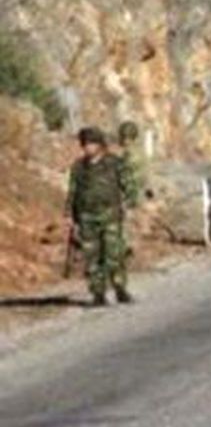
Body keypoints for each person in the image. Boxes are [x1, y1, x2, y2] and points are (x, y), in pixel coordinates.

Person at [65, 127, 132, 306]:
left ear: (100, 145)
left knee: (113, 253)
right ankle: (98, 293)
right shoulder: (78, 168)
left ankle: (120, 288)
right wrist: (69, 215)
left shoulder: (114, 163)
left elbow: (127, 185)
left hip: (110, 215)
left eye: (92, 143)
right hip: (86, 217)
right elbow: (73, 192)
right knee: (92, 256)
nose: (88, 147)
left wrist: (130, 204)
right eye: (85, 144)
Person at [113, 120, 146, 209]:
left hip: (130, 200)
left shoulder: (128, 155)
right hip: (138, 198)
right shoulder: (139, 153)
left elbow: (126, 180)